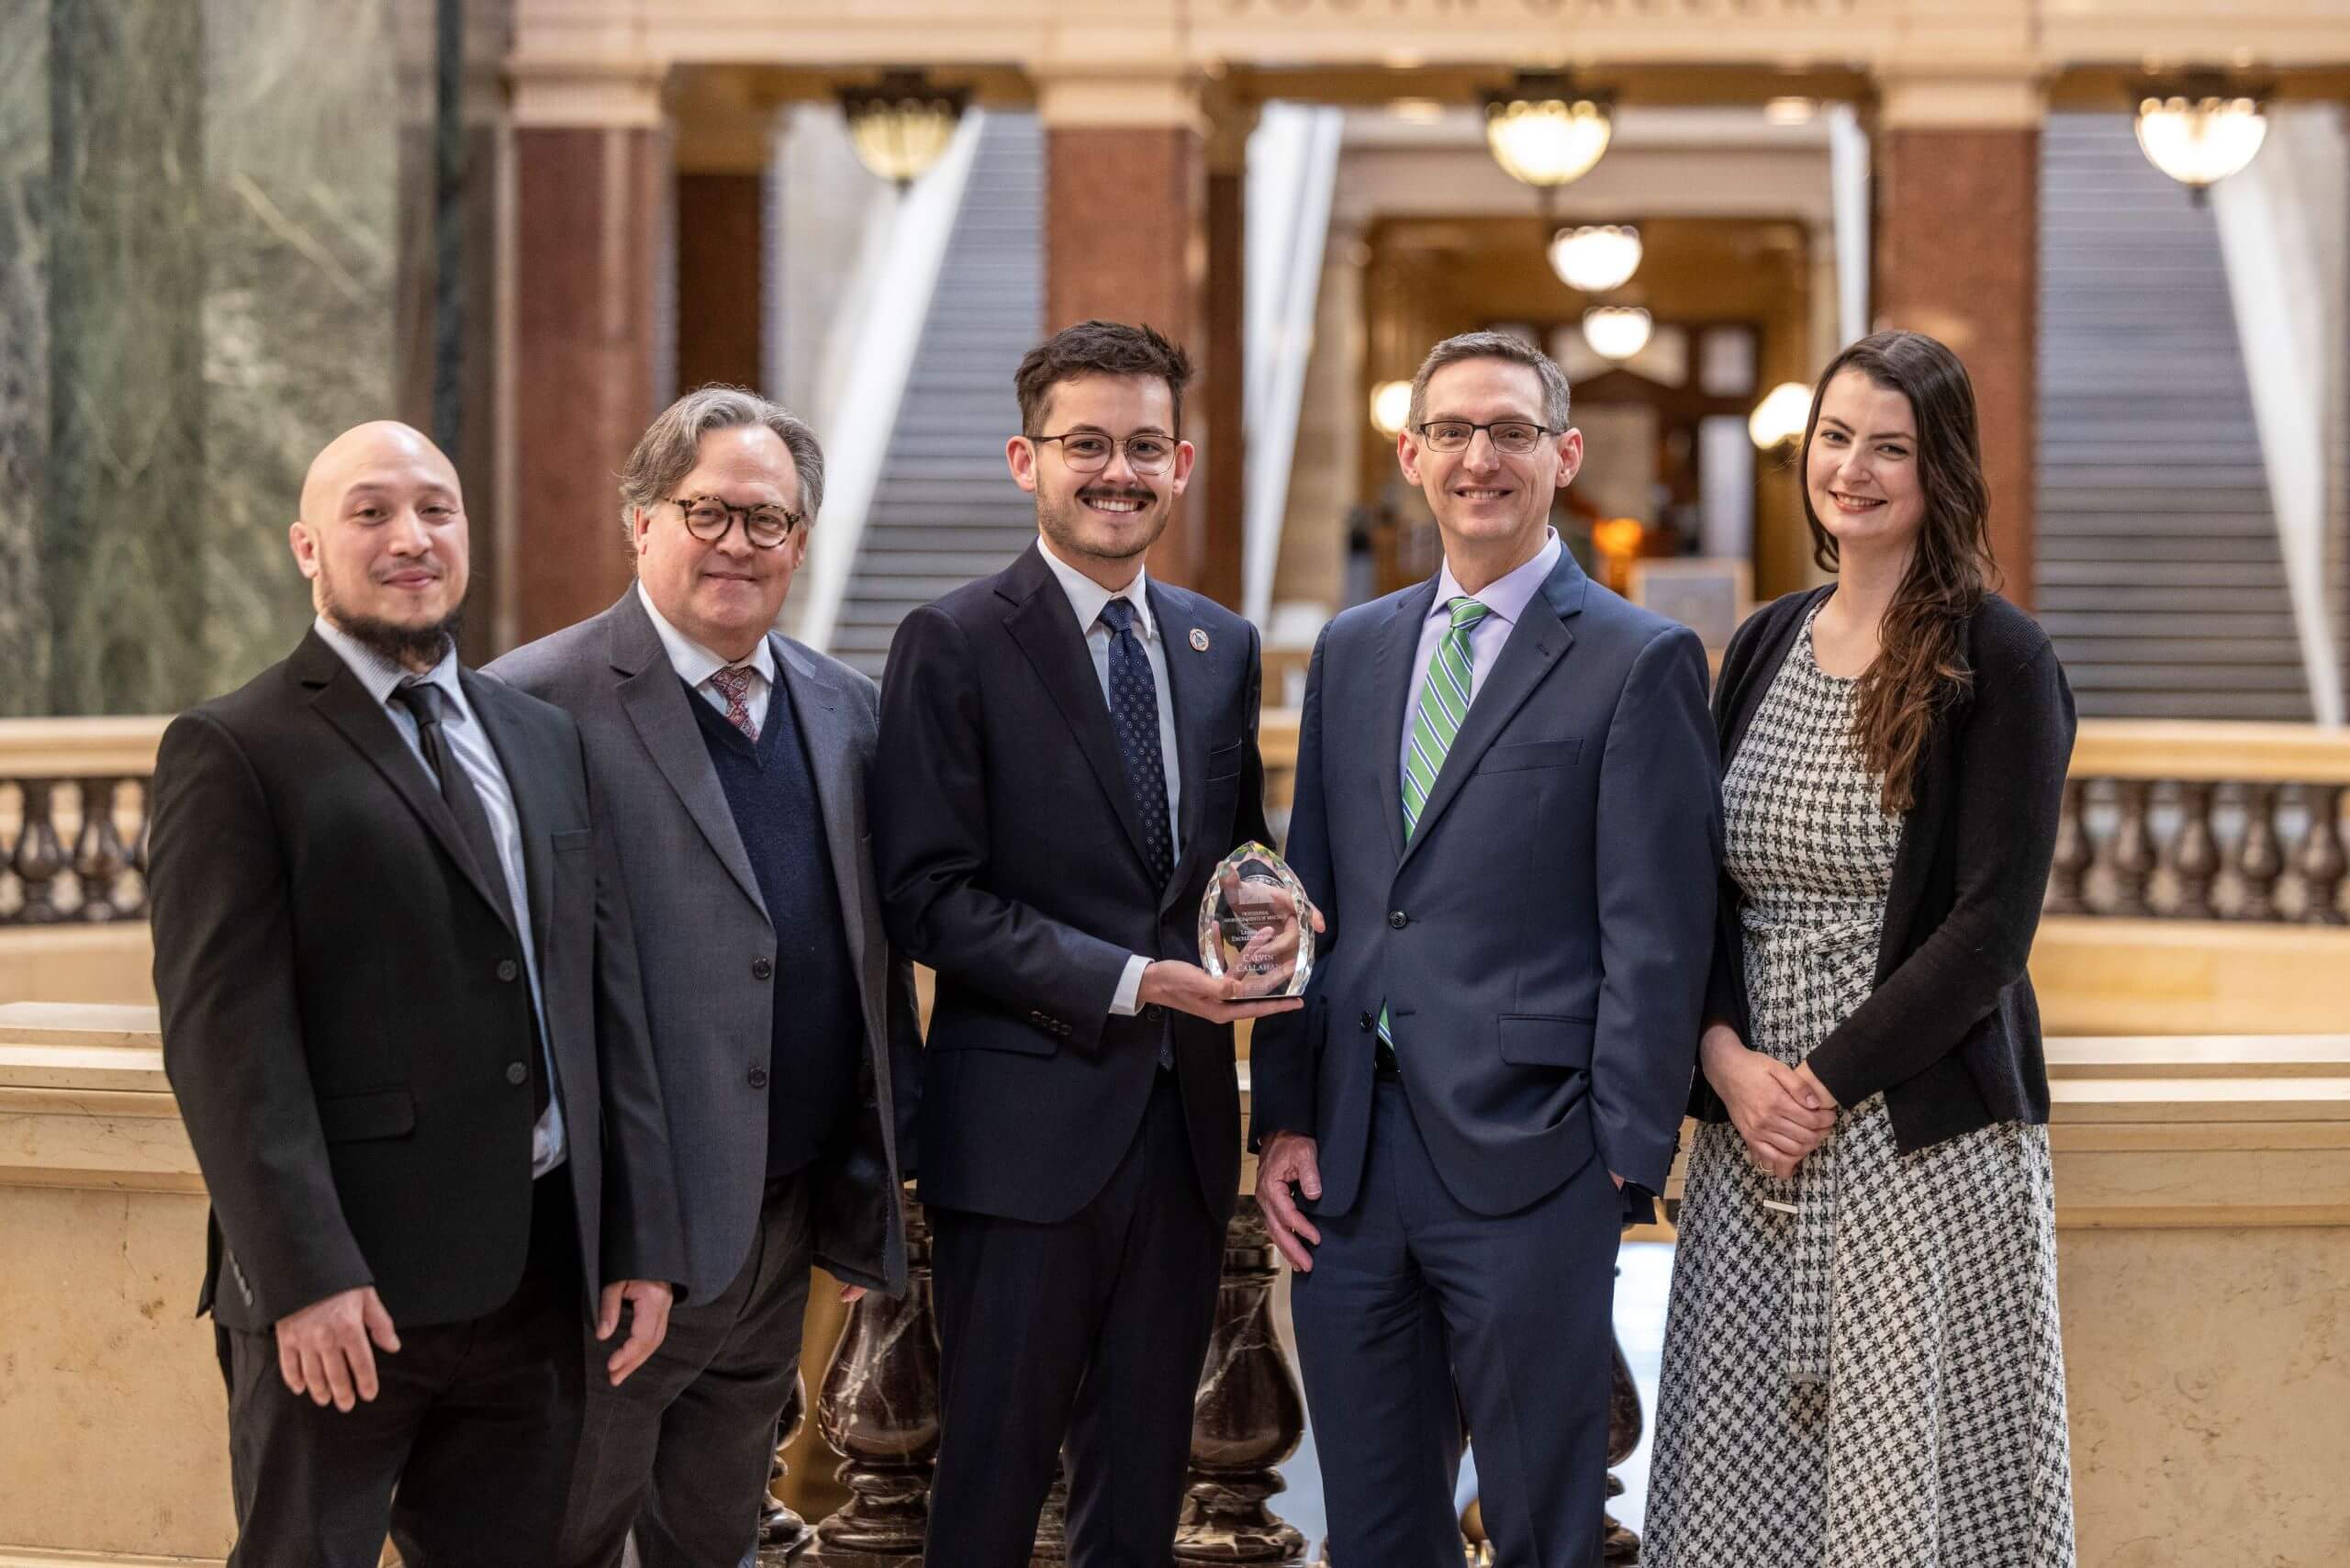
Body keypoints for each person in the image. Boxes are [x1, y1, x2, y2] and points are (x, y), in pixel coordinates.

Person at [147, 420, 681, 1567]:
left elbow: (601, 1000)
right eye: (371, 512)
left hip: (538, 1286)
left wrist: (637, 1231)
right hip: (348, 1298)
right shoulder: (233, 747)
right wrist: (306, 1275)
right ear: (307, 545)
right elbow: (224, 1043)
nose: (411, 538)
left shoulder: (540, 738)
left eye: (435, 509)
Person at [1248, 330, 1721, 1568]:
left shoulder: (1639, 659)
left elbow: (1657, 933)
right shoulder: (1354, 652)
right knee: (1374, 1528)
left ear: (1563, 455)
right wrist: (1287, 1120)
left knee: (1542, 1528)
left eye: (1511, 430)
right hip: (1350, 1165)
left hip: (1535, 1162)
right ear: (1410, 455)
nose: (1480, 456)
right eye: (1452, 430)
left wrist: (1617, 1164)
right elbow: (1322, 903)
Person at [1641, 330, 2078, 1567]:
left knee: (1907, 1493)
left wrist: (1821, 1085)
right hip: (1755, 1134)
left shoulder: (2000, 658)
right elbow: (1702, 894)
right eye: (1836, 437)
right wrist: (1727, 1061)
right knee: (1741, 1485)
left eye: (1891, 446)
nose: (1855, 467)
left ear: (1941, 470)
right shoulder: (1768, 642)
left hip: (1914, 1128)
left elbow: (1990, 929)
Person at [872, 319, 1294, 1567]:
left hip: (1179, 1138)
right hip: (1020, 1140)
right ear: (1026, 459)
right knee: (992, 1488)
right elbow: (928, 896)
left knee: (1143, 1487)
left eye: (1145, 446)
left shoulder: (1220, 648)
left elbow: (1230, 857)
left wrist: (1270, 905)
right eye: (1088, 446)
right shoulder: (950, 642)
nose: (1119, 473)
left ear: (1186, 462)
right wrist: (1127, 982)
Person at [487, 386, 920, 1568]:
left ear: (800, 539)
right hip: (615, 1234)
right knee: (560, 1528)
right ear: (640, 521)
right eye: (709, 511)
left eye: (768, 521)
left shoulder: (848, 711)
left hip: (783, 1216)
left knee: (716, 1533)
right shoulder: (531, 703)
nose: (739, 543)